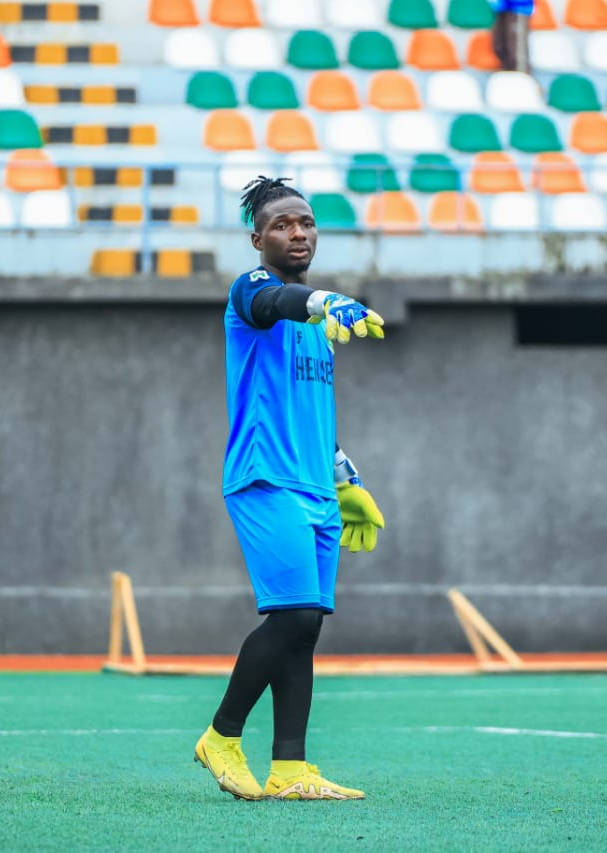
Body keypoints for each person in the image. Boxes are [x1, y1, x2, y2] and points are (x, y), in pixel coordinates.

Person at [193, 176, 387, 802]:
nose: (297, 232)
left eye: (305, 222)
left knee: (305, 627)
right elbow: (274, 303)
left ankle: (290, 769)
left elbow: (313, 410)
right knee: (296, 612)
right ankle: (222, 736)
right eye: (282, 224)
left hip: (315, 487)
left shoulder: (318, 325)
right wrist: (324, 301)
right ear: (258, 238)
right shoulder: (253, 290)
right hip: (264, 478)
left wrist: (345, 478)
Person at [491, 0, 534, 75]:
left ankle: (523, 78)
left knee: (517, 53)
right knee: (500, 48)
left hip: (518, 8)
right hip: (500, 7)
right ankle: (509, 79)